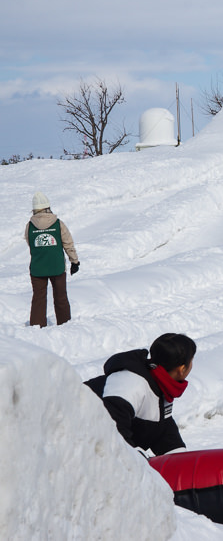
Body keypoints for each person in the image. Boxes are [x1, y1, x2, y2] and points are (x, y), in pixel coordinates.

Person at [84, 333, 196, 456]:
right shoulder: (131, 383)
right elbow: (112, 428)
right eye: (191, 360)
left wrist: (180, 459)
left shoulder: (161, 385)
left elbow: (162, 431)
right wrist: (135, 460)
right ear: (182, 369)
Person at [25, 192, 79, 327]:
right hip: (57, 267)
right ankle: (65, 325)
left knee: (38, 299)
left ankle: (37, 327)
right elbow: (68, 243)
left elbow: (30, 243)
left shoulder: (29, 226)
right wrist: (74, 261)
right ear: (48, 207)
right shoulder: (58, 224)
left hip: (37, 268)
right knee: (61, 297)